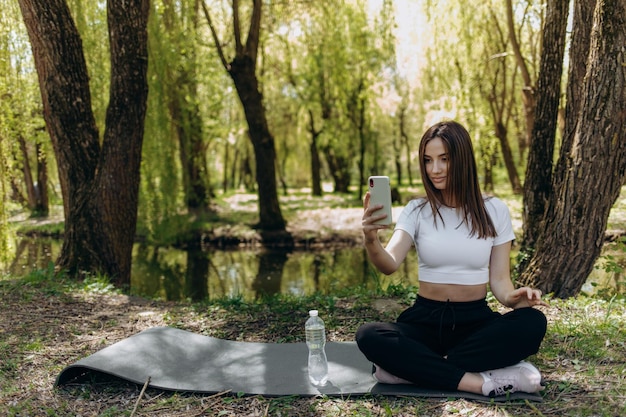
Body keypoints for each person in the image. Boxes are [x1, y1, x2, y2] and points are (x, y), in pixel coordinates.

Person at [356, 120, 548, 397]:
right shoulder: (417, 210)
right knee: (369, 335)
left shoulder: (494, 210)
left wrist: (515, 299)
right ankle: (479, 382)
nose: (434, 169)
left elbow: (500, 282)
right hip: (424, 321)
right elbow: (388, 264)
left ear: (462, 159)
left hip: (475, 321)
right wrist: (371, 239)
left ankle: (410, 371)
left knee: (532, 322)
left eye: (444, 159)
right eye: (428, 160)